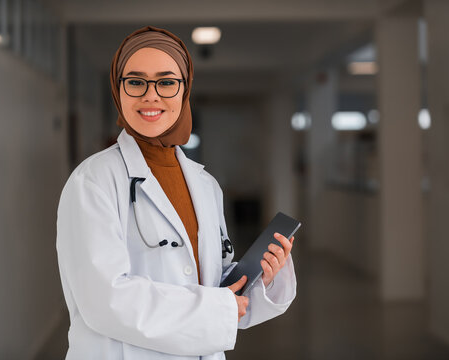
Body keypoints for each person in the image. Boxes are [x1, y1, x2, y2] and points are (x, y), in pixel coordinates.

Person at [56, 25, 297, 360]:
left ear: (185, 90)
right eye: (136, 81)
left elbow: (213, 284)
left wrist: (263, 277)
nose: (151, 95)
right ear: (118, 89)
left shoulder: (205, 184)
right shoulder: (93, 181)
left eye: (167, 82)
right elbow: (104, 300)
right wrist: (216, 308)